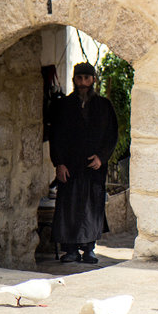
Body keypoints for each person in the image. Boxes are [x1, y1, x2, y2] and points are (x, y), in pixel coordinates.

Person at [49, 62, 118, 264]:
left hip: (93, 168)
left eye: (87, 78)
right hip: (69, 167)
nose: (83, 83)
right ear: (74, 80)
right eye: (79, 78)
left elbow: (112, 135)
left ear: (93, 80)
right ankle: (70, 250)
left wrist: (101, 157)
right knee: (68, 207)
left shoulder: (104, 106)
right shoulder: (63, 106)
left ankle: (89, 250)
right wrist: (59, 163)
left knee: (92, 208)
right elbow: (55, 136)